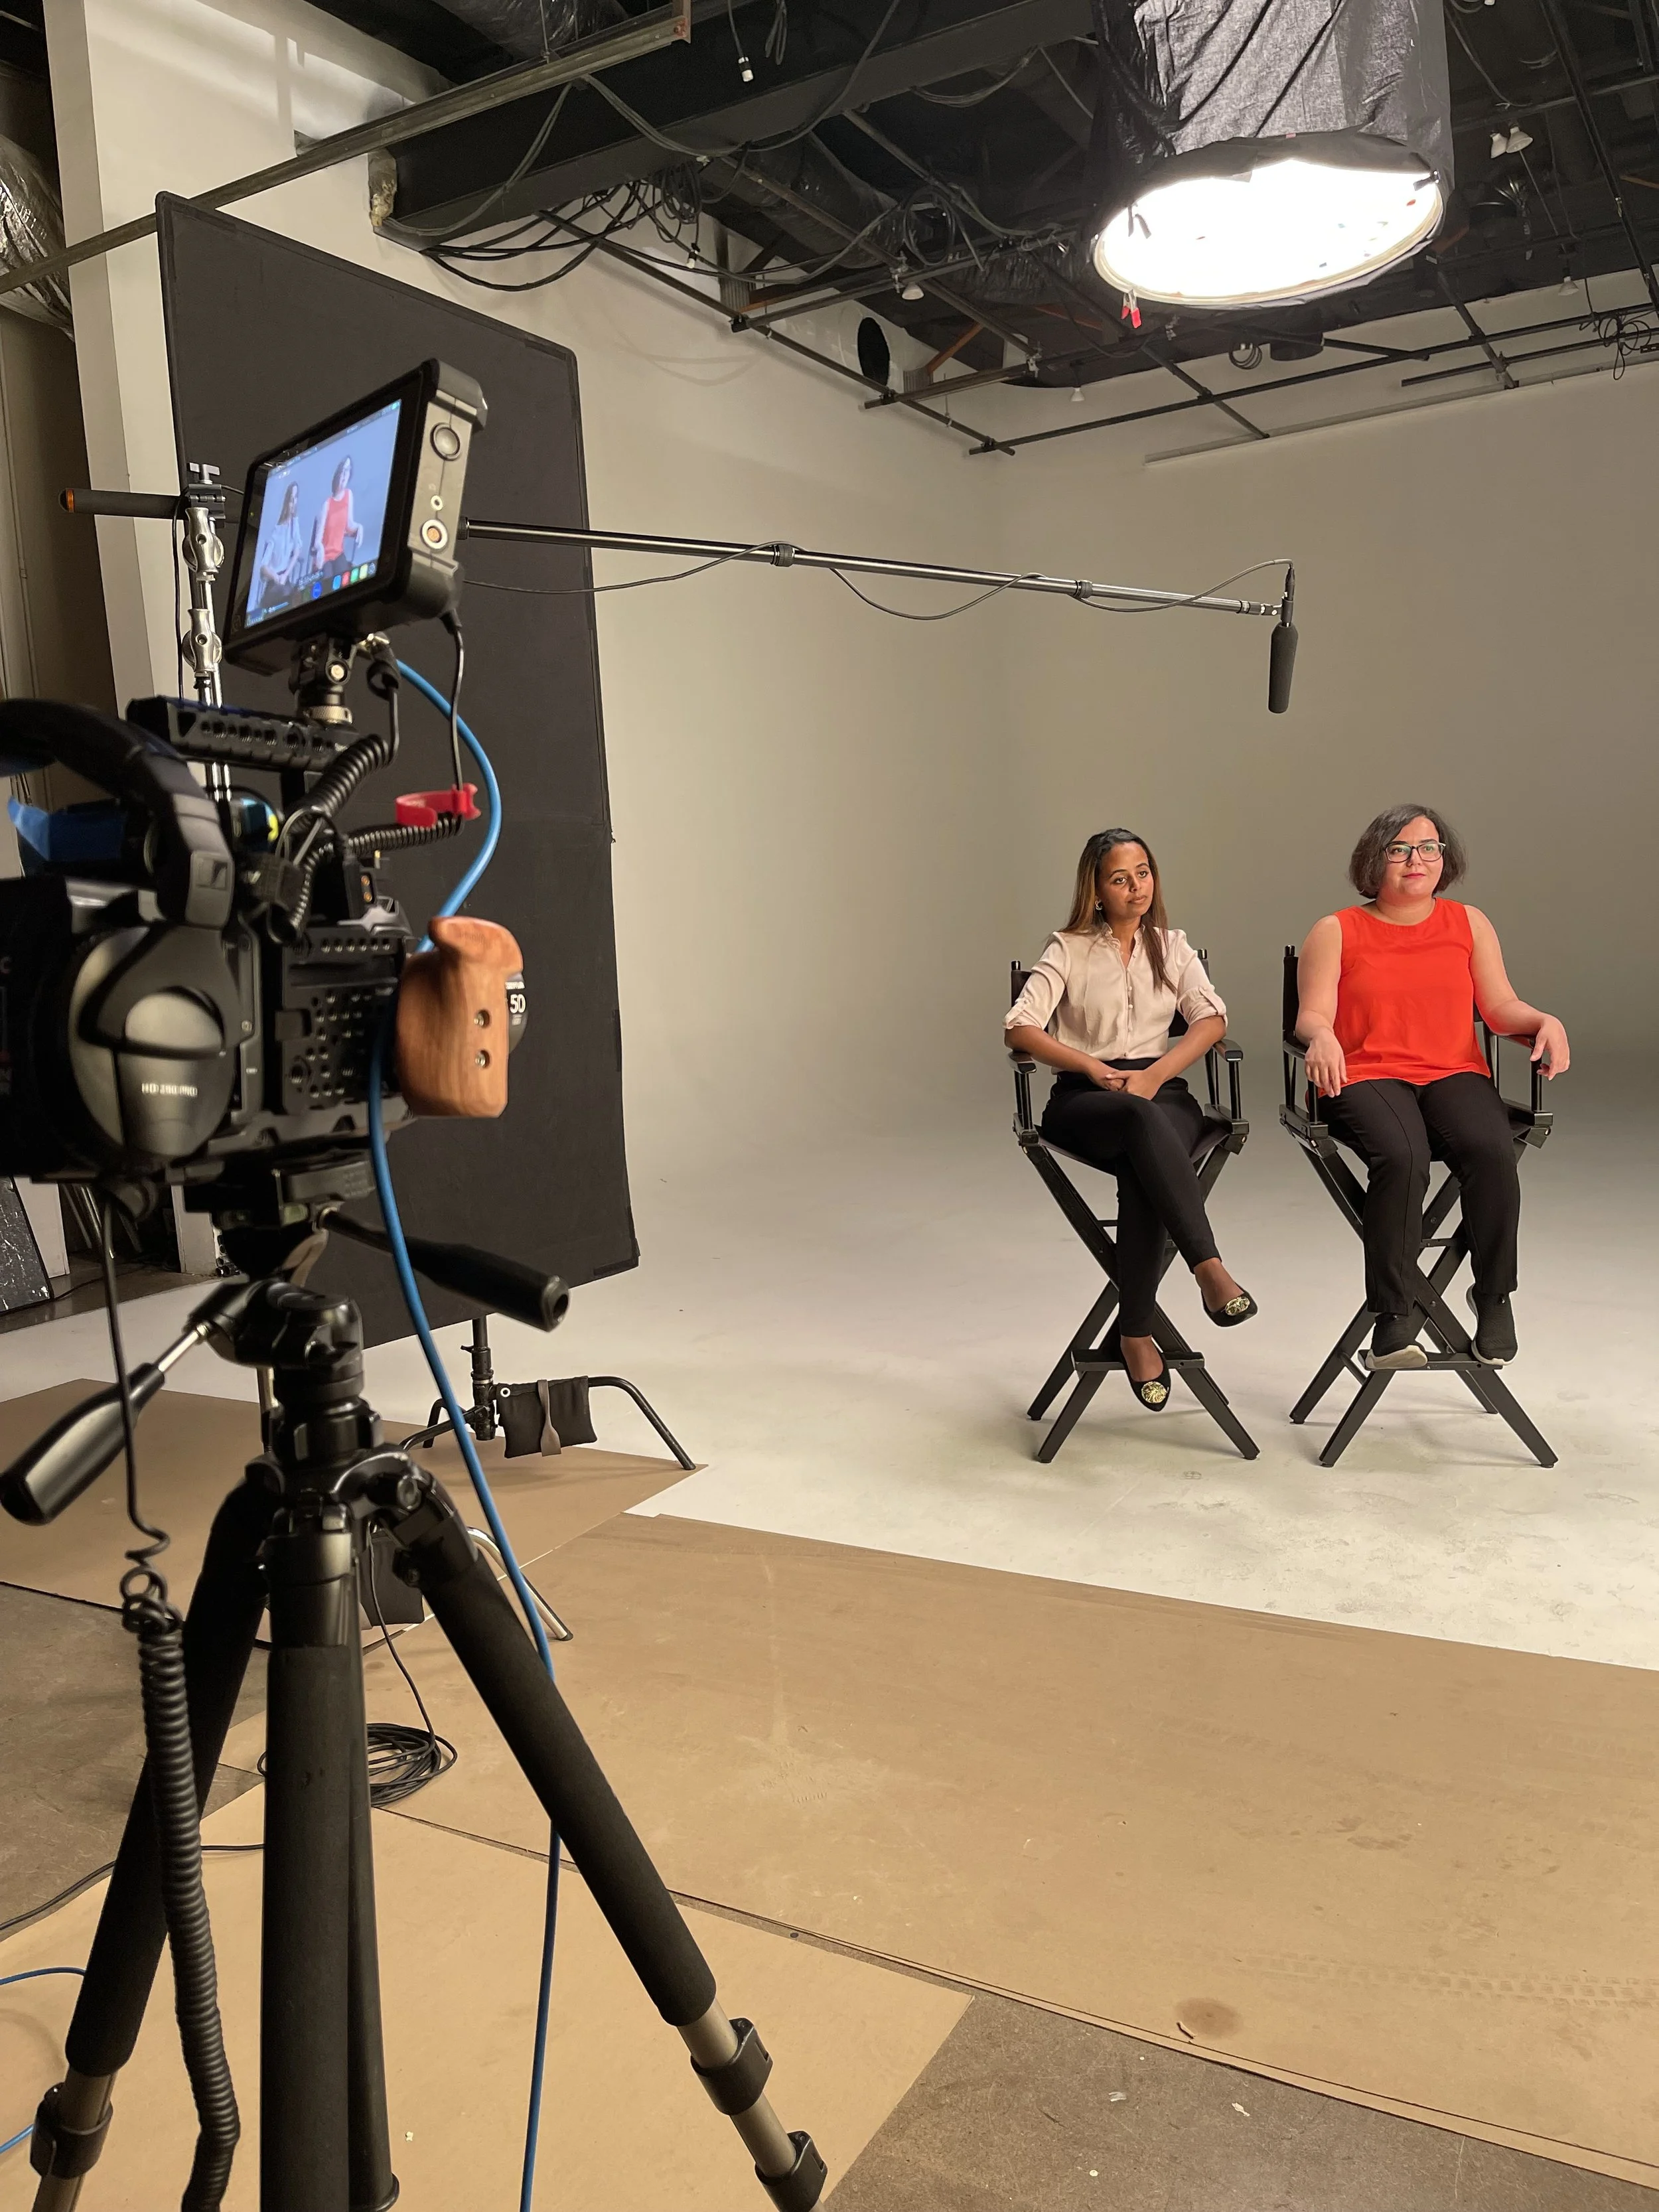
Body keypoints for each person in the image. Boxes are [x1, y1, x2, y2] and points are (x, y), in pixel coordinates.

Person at [1295, 806, 1569, 1371]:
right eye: (1399, 848)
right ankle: (1393, 1316)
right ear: (1374, 859)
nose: (1416, 860)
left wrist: (1545, 1020)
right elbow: (1311, 1015)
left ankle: (1493, 1297)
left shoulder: (1469, 923)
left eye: (1429, 847)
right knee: (1402, 1154)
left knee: (1493, 1151)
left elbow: (1498, 1008)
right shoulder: (1337, 929)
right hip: (1364, 1074)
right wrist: (1321, 1036)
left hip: (1450, 1071)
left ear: (1445, 857)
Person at [1006, 828, 1256, 1411]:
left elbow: (1211, 1019)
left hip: (1161, 1089)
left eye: (1143, 872)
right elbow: (1020, 1027)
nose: (1136, 887)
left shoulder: (1172, 946)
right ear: (1096, 888)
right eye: (1120, 878)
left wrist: (1157, 1073)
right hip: (1086, 1098)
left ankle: (1136, 1331)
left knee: (1149, 1147)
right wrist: (1091, 1067)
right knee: (1146, 1131)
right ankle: (1210, 1269)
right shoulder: (1065, 949)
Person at [255, 480, 305, 613]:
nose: (293, 503)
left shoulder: (295, 524)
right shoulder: (276, 531)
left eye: (296, 499)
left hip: (285, 579)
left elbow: (297, 550)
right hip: (274, 582)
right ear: (286, 502)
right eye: (291, 499)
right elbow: (263, 566)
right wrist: (277, 577)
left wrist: (286, 574)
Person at [311, 454, 362, 581]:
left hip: (339, 553)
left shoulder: (348, 495)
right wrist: (321, 551)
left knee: (344, 579)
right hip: (325, 556)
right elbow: (317, 541)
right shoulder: (327, 504)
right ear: (338, 474)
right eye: (343, 471)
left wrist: (359, 528)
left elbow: (349, 525)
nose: (345, 475)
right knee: (327, 583)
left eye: (348, 470)